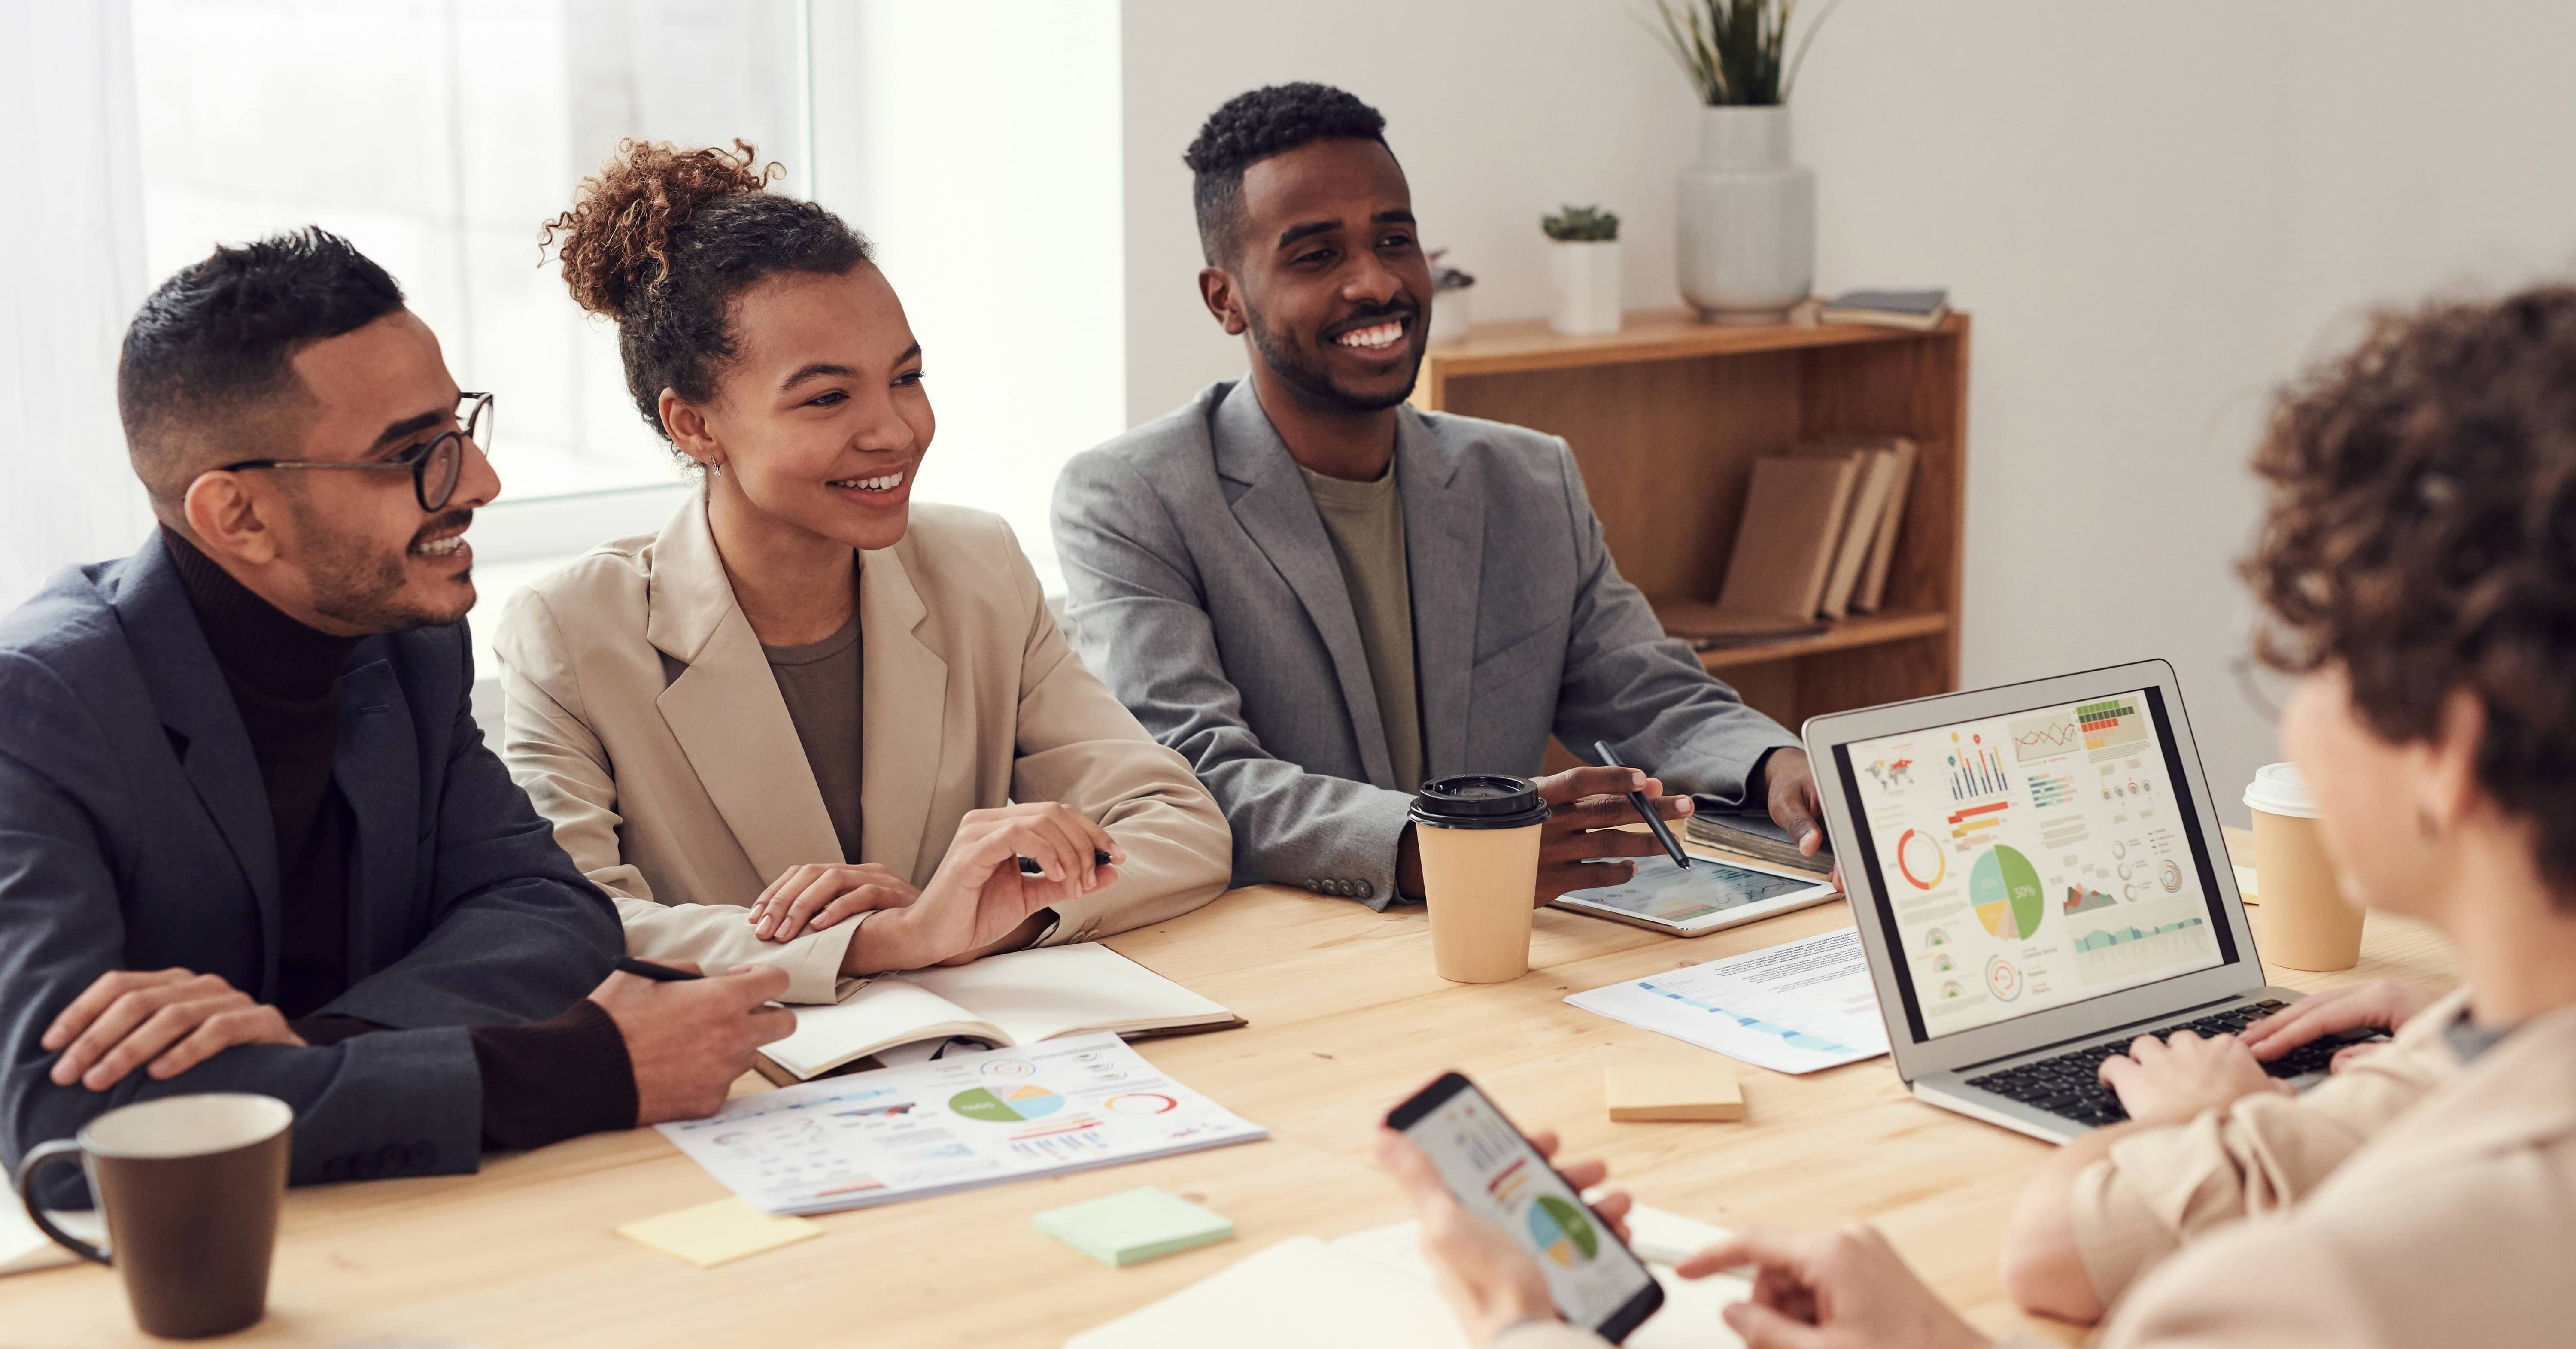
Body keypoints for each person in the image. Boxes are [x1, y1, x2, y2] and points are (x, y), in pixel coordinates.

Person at [1376, 286, 2576, 1348]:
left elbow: (2074, 1247)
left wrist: (1518, 1318)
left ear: (2449, 754)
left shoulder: (2298, 1291)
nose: (2298, 711)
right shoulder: (2484, 1059)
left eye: (2316, 661)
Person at [0, 230, 791, 1203]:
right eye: (412, 455)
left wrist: (298, 1044)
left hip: (398, 1219)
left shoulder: (409, 644)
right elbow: (68, 1128)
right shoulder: (34, 709)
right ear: (237, 517)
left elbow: (551, 914)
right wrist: (574, 1066)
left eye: (458, 429)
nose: (479, 484)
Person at [1052, 83, 1825, 908]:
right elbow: (1197, 769)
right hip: (1295, 961)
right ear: (1226, 299)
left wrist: (1779, 764)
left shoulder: (1529, 479)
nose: (1375, 282)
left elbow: (1647, 688)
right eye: (1317, 256)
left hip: (1516, 955)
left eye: (1395, 239)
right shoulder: (1130, 498)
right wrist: (1443, 851)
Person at [493, 141, 1231, 1003]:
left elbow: (1180, 824)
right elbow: (570, 922)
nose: (896, 430)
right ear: (693, 425)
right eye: (826, 397)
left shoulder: (979, 568)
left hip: (995, 1068)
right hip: (745, 1090)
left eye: (906, 378)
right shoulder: (572, 629)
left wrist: (997, 914)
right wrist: (887, 940)